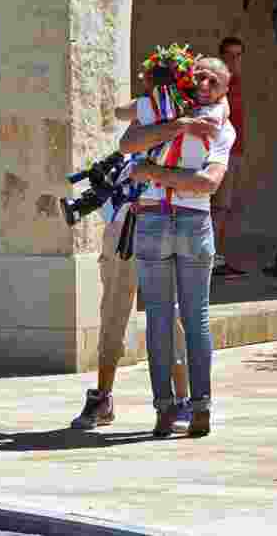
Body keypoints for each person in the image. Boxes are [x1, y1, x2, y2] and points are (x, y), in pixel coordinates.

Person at [70, 65, 196, 433]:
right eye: (154, 84)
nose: (156, 89)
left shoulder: (198, 119)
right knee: (113, 307)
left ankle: (182, 399)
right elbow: (123, 127)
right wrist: (151, 106)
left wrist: (178, 114)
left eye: (164, 84)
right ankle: (103, 396)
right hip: (127, 220)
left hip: (167, 219)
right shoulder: (147, 115)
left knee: (170, 309)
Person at [121, 56, 235, 438]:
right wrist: (180, 125)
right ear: (186, 77)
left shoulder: (222, 127)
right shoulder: (165, 110)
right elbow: (128, 143)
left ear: (225, 89)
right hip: (161, 220)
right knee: (161, 318)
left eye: (214, 80)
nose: (204, 83)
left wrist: (154, 173)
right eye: (199, 75)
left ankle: (196, 406)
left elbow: (208, 183)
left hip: (184, 221)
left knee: (190, 318)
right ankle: (167, 408)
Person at [212, 37, 247, 279]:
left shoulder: (238, 83)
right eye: (230, 55)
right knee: (219, 207)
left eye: (239, 55)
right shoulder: (218, 85)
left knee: (224, 208)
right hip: (221, 153)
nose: (234, 61)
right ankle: (211, 259)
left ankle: (216, 256)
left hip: (235, 151)